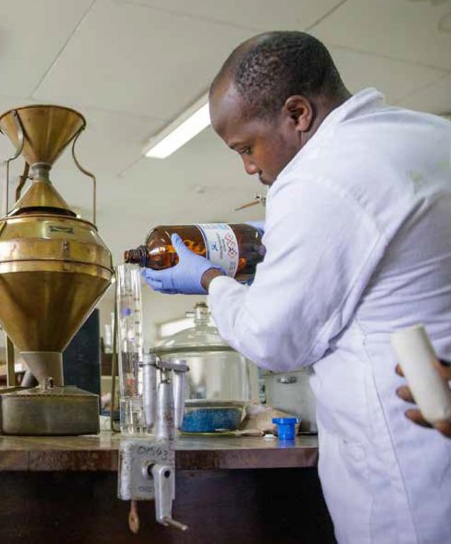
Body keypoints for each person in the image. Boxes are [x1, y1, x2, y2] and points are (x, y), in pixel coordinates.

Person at [142, 32, 451, 543]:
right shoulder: (432, 135)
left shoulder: (318, 177)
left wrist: (210, 279)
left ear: (298, 113)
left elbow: (272, 341)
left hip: (411, 487)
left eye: (247, 147)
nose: (249, 167)